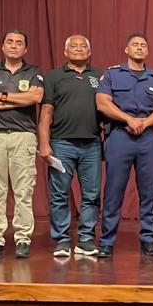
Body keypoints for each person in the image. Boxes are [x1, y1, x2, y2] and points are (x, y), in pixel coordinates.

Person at [96, 32, 153, 257]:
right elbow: (102, 103)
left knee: (148, 191)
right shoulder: (112, 74)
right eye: (135, 45)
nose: (139, 48)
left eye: (143, 45)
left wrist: (144, 123)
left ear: (147, 51)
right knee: (113, 190)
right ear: (126, 50)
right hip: (120, 135)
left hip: (147, 137)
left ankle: (148, 239)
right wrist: (128, 119)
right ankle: (107, 242)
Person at [0, 30, 44, 260]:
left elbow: (35, 98)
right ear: (3, 47)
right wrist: (18, 100)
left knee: (24, 190)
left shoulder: (33, 72)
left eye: (19, 43)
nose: (14, 46)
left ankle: (23, 239)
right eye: (10, 42)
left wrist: (0, 97)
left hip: (23, 136)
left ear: (25, 48)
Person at [38, 35, 102, 258]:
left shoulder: (99, 76)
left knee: (92, 195)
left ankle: (85, 239)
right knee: (59, 195)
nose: (79, 49)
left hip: (92, 144)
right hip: (61, 144)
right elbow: (46, 112)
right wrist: (44, 143)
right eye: (73, 46)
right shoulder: (53, 77)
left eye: (83, 46)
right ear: (65, 52)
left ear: (89, 52)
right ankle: (62, 240)